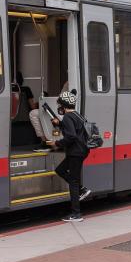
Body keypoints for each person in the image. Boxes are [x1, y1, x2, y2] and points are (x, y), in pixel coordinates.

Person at [47, 90, 92, 222]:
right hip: (81, 151)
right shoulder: (77, 115)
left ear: (64, 105)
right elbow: (74, 130)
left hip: (75, 152)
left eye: (60, 104)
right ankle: (81, 190)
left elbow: (71, 136)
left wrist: (57, 143)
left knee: (73, 181)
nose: (59, 107)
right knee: (60, 170)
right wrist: (59, 124)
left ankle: (76, 214)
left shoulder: (67, 117)